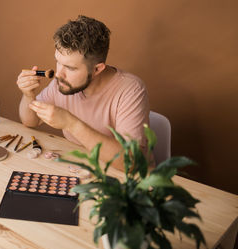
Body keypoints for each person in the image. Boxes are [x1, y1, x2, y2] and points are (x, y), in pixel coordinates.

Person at [17, 15, 149, 170]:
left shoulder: (131, 90)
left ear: (97, 69)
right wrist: (28, 95)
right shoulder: (62, 82)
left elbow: (131, 162)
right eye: (58, 62)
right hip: (81, 168)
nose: (59, 73)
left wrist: (72, 124)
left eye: (70, 68)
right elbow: (30, 121)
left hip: (122, 180)